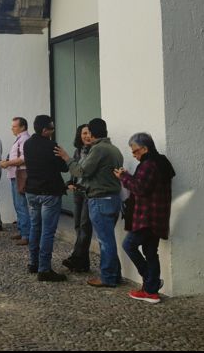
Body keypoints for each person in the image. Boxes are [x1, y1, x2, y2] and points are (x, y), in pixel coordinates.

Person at [55, 118, 124, 288]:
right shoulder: (114, 149)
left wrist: (66, 158)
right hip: (113, 199)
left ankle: (108, 277)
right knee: (108, 240)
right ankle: (115, 275)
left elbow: (81, 171)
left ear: (92, 133)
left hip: (100, 200)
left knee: (105, 241)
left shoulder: (98, 149)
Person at [115, 133, 174, 304]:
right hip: (159, 216)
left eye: (135, 151)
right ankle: (151, 291)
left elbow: (140, 188)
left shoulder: (149, 165)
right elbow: (148, 185)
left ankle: (151, 283)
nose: (134, 155)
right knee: (150, 252)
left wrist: (123, 177)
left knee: (129, 245)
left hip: (147, 217)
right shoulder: (161, 162)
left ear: (145, 148)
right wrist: (129, 176)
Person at [24, 115, 69, 282]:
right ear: (45, 130)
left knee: (35, 227)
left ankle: (33, 263)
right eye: (51, 128)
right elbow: (64, 168)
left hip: (32, 191)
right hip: (49, 192)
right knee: (48, 231)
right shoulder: (52, 146)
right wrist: (64, 154)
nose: (53, 130)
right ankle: (44, 268)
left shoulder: (28, 144)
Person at [62, 124, 94, 273]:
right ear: (79, 135)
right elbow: (74, 170)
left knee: (85, 227)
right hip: (77, 192)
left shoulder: (95, 151)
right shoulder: (77, 151)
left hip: (89, 193)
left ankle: (76, 258)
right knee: (77, 226)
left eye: (89, 133)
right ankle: (83, 263)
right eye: (84, 133)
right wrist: (69, 183)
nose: (86, 136)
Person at [0, 117, 31, 246]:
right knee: (18, 204)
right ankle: (22, 230)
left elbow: (24, 158)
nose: (12, 128)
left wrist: (7, 163)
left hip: (19, 174)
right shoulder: (20, 139)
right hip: (15, 174)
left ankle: (26, 234)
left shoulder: (24, 139)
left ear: (22, 127)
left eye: (15, 126)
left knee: (21, 204)